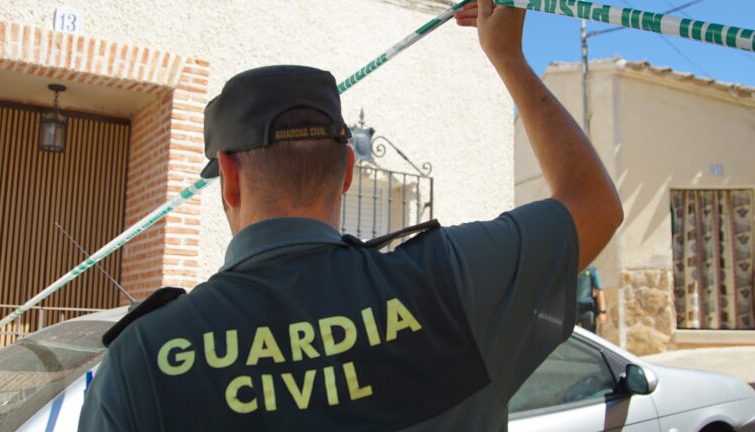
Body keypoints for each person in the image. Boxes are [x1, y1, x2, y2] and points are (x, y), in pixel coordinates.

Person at [78, 1, 622, 430]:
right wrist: (506, 55)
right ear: (346, 170)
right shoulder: (452, 281)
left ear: (230, 176)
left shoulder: (143, 362)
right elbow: (594, 204)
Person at [577, 265, 607, 333]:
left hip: (587, 309)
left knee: (589, 335)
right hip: (572, 309)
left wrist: (602, 312)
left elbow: (599, 290)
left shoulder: (590, 269)